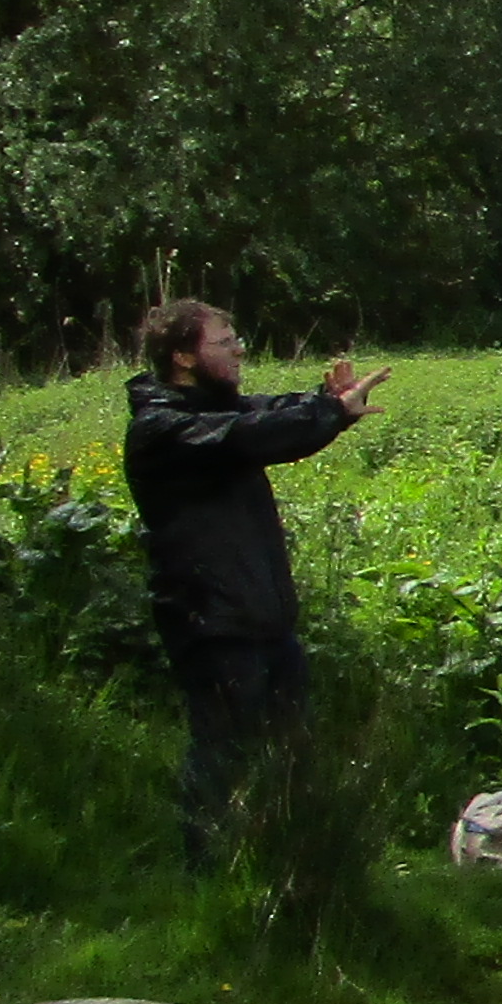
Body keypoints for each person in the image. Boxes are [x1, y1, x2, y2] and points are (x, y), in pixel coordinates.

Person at [121, 299, 388, 866]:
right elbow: (253, 433)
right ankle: (211, 881)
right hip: (212, 624)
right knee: (222, 755)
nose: (240, 348)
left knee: (289, 753)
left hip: (264, 620)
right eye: (224, 341)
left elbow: (266, 413)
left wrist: (326, 404)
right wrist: (331, 415)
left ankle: (285, 868)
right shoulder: (164, 429)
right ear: (183, 357)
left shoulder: (211, 410)